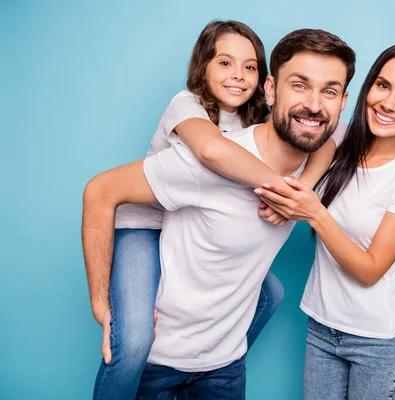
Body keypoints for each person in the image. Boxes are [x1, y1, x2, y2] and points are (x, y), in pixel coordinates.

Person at [82, 28, 356, 399]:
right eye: (300, 85)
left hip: (226, 368)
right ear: (273, 91)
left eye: (329, 91)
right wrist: (102, 305)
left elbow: (340, 132)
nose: (314, 103)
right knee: (131, 338)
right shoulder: (198, 135)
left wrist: (302, 188)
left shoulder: (301, 140)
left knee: (271, 293)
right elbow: (105, 189)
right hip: (143, 246)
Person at [256, 41, 395, 400]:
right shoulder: (340, 139)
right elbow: (283, 130)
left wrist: (311, 209)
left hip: (378, 343)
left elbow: (370, 269)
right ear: (367, 87)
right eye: (383, 85)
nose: (389, 103)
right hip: (321, 328)